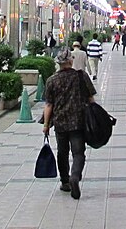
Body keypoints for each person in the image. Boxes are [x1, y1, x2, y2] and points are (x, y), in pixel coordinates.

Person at [43, 49, 97, 200]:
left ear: (58, 63)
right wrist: (94, 116)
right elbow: (91, 99)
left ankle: (65, 181)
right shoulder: (81, 76)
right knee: (78, 153)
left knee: (62, 153)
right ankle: (75, 176)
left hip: (60, 122)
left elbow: (49, 105)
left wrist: (46, 125)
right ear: (71, 61)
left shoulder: (51, 80)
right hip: (78, 122)